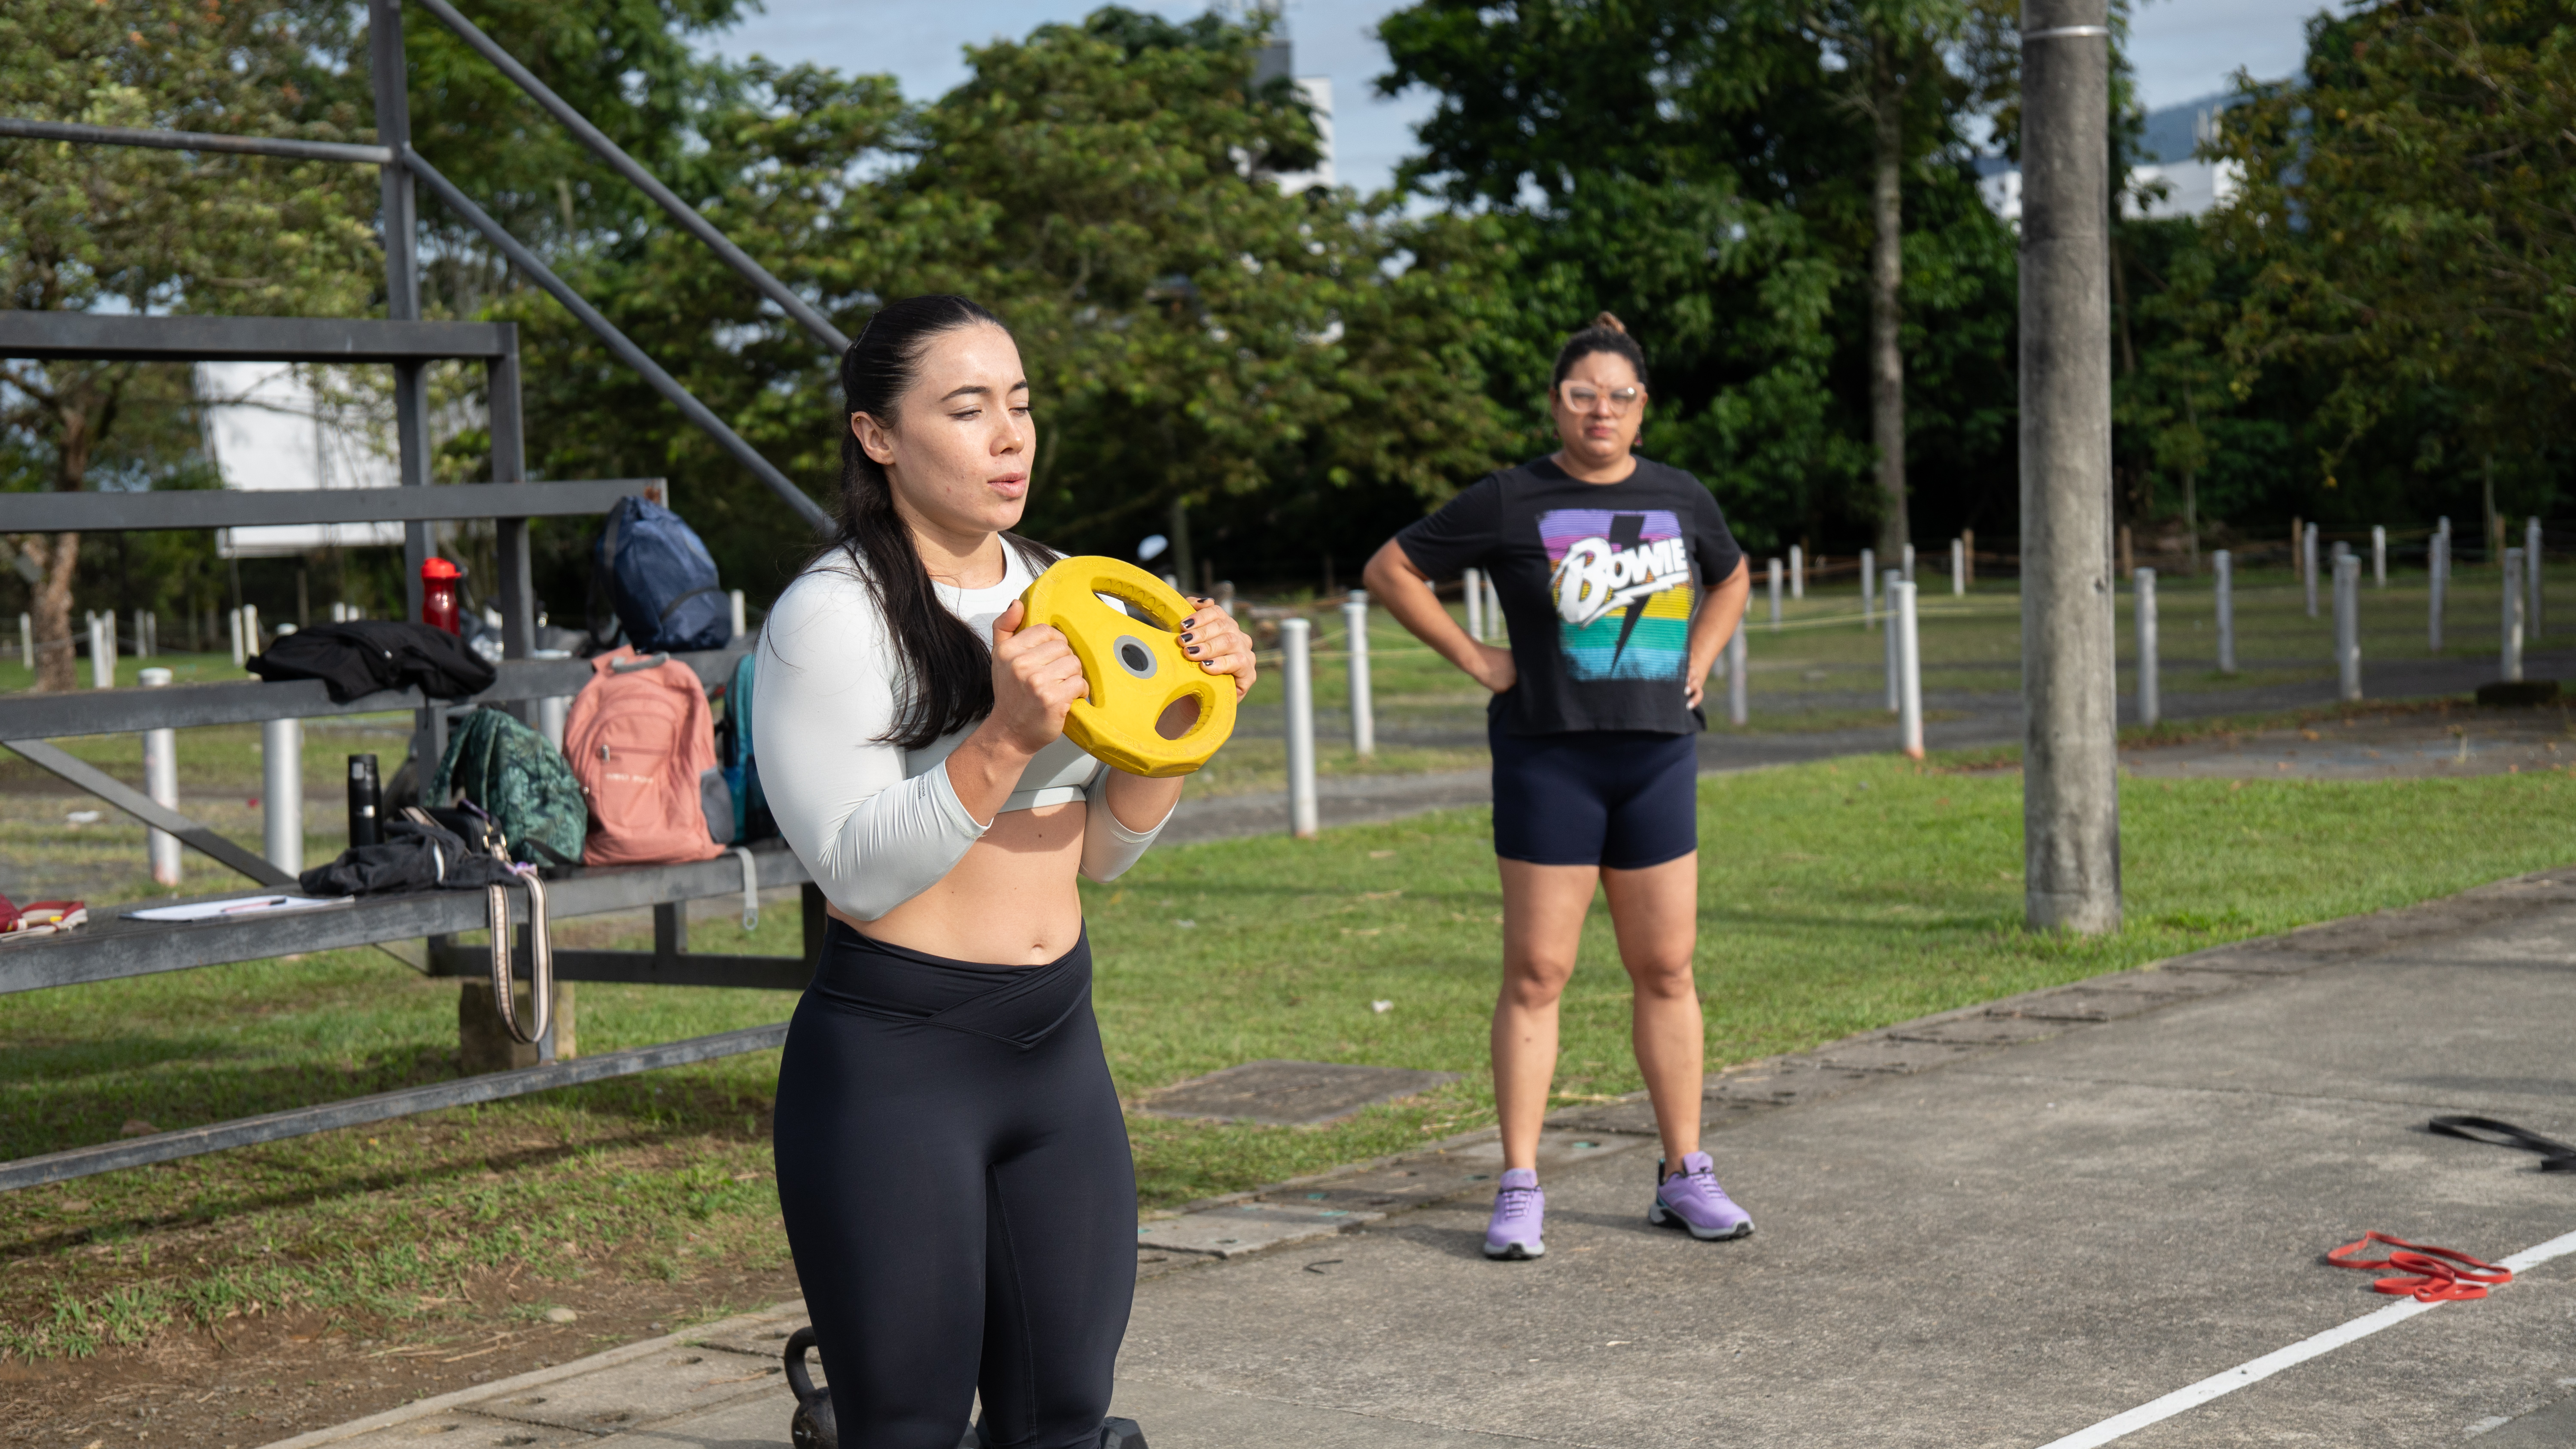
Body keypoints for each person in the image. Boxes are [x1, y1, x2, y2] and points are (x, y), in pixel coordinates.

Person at [755, 294, 1256, 1448]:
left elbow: (1112, 852)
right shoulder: (828, 619)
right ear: (877, 435)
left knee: (1065, 1415)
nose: (1010, 437)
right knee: (910, 1424)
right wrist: (1006, 738)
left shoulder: (1070, 585)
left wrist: (1191, 719)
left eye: (1021, 406)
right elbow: (855, 879)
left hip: (1056, 1049)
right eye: (968, 408)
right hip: (896, 1066)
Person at [1361, 312, 1753, 1262]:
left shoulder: (1680, 495)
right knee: (1538, 974)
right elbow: (1393, 567)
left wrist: (1700, 655)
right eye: (1583, 395)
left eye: (1620, 395)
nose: (1601, 411)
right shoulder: (1512, 498)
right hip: (1550, 760)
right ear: (1556, 404)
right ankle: (1521, 1181)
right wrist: (1476, 657)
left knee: (1667, 969)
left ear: (1643, 408)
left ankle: (1683, 1172)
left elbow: (1732, 576)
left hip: (1656, 755)